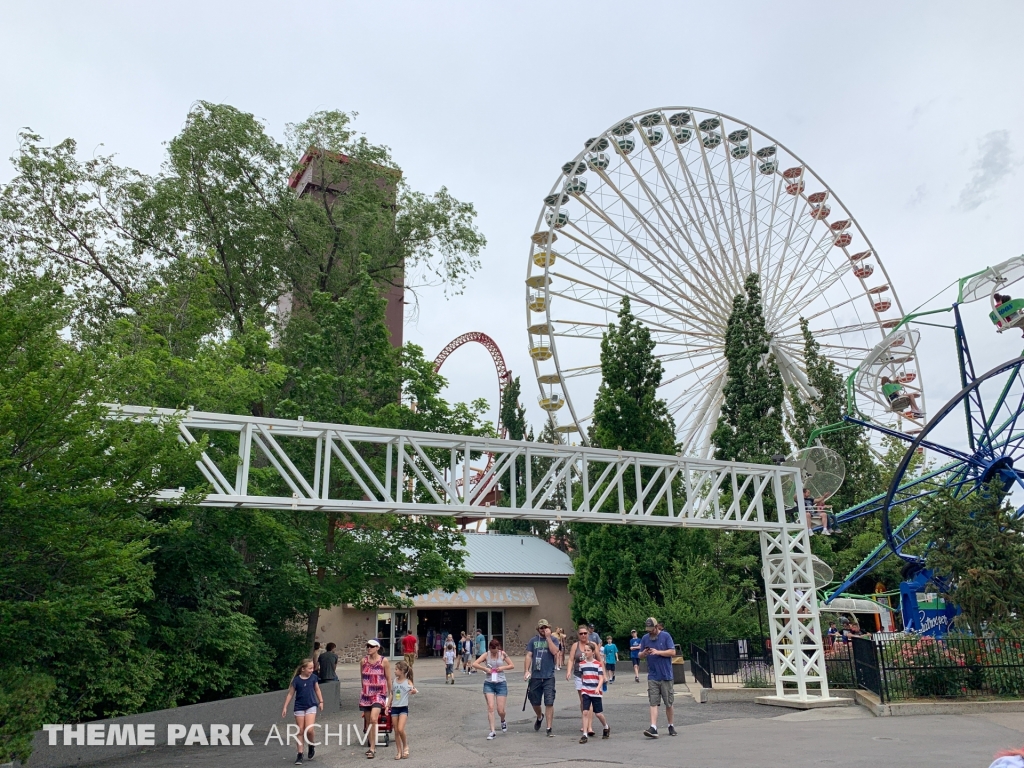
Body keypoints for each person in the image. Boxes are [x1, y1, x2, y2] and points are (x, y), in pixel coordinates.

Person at [281, 658, 324, 765]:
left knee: (309, 729)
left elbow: (317, 689)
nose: (311, 670)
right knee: (300, 730)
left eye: (312, 668)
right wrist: (285, 707)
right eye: (310, 668)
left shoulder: (313, 678)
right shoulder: (296, 680)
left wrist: (321, 701)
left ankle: (311, 744)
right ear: (303, 669)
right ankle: (300, 754)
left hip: (311, 705)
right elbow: (290, 694)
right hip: (299, 706)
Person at [639, 617, 676, 738]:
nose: (650, 632)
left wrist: (658, 652)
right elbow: (639, 654)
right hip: (653, 675)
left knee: (668, 702)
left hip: (666, 675)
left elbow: (672, 652)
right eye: (648, 630)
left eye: (652, 629)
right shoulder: (645, 638)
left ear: (656, 627)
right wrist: (644, 653)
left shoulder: (665, 636)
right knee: (653, 701)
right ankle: (653, 727)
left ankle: (670, 725)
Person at [524, 618, 561, 737]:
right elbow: (529, 656)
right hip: (536, 676)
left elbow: (555, 652)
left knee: (549, 702)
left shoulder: (554, 639)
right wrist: (526, 670)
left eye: (546, 627)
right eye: (541, 628)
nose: (543, 630)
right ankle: (540, 716)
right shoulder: (533, 641)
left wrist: (548, 637)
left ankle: (549, 727)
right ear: (538, 629)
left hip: (548, 676)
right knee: (535, 701)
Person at [473, 637, 515, 739]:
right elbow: (475, 664)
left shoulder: (502, 654)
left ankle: (503, 720)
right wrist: (485, 669)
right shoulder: (486, 654)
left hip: (501, 683)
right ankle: (492, 731)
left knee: (500, 710)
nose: (494, 654)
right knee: (491, 707)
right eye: (492, 652)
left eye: (495, 651)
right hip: (489, 683)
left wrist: (502, 668)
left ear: (498, 648)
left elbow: (512, 665)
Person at [360, 638, 391, 759]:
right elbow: (362, 677)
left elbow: (388, 678)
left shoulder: (384, 661)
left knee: (374, 719)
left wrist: (390, 695)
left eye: (371, 646)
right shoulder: (363, 661)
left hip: (379, 694)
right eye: (367, 646)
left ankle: (372, 748)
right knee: (368, 722)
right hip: (366, 694)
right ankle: (371, 741)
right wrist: (363, 691)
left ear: (377, 648)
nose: (369, 648)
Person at [566, 624, 601, 734]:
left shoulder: (593, 645)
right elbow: (571, 659)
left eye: (585, 633)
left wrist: (603, 675)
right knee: (583, 701)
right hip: (579, 676)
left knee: (589, 701)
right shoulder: (575, 646)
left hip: (592, 676)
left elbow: (599, 660)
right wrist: (568, 671)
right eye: (581, 633)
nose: (583, 635)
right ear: (578, 635)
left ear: (588, 634)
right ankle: (585, 723)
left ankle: (589, 727)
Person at [578, 643, 610, 743]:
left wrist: (598, 688)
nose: (586, 652)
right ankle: (584, 734)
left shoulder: (598, 664)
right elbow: (582, 676)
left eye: (588, 650)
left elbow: (601, 678)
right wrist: (583, 687)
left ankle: (606, 726)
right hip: (586, 690)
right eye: (585, 650)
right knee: (585, 711)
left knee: (598, 714)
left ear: (592, 652)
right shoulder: (582, 664)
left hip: (595, 691)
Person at [387, 660, 416, 760]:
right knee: (396, 731)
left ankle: (405, 746)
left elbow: (414, 689)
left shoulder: (407, 681)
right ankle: (399, 751)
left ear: (402, 671)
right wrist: (387, 705)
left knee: (400, 729)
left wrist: (413, 691)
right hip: (394, 708)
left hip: (403, 708)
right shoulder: (394, 681)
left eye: (396, 669)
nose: (394, 671)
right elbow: (392, 694)